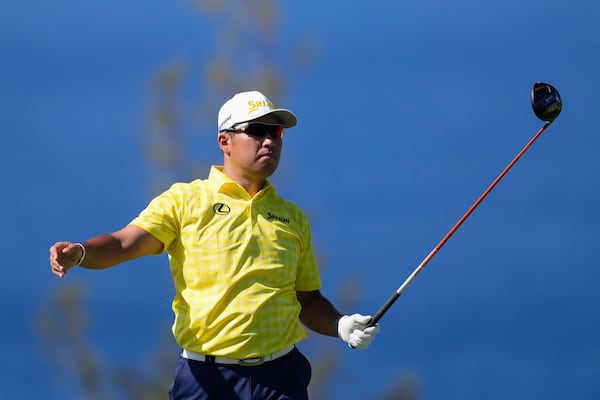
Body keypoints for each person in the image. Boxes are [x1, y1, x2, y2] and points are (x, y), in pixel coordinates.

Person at [49, 90, 380, 400]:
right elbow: (123, 243)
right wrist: (81, 252)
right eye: (256, 130)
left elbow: (306, 300)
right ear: (225, 141)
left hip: (282, 378)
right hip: (206, 378)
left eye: (276, 132)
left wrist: (339, 325)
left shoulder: (293, 217)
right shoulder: (185, 200)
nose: (269, 141)